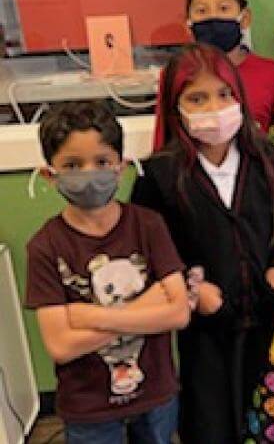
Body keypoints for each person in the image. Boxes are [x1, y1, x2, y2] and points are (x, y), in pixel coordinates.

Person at [130, 43, 274, 443]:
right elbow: (152, 252)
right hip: (206, 329)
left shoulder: (268, 161)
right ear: (176, 107)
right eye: (197, 98)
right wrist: (192, 286)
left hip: (270, 316)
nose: (214, 107)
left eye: (224, 95)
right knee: (212, 425)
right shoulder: (159, 176)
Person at [25, 102, 191, 443]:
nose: (90, 173)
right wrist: (146, 307)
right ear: (49, 173)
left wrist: (85, 315)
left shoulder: (148, 225)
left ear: (121, 167)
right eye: (72, 164)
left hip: (156, 396)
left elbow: (178, 312)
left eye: (102, 162)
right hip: (88, 408)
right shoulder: (45, 246)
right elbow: (60, 345)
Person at [152, 0, 274, 149]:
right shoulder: (175, 74)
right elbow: (163, 141)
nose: (213, 17)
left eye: (224, 8)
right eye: (202, 11)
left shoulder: (271, 73)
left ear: (245, 18)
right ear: (188, 23)